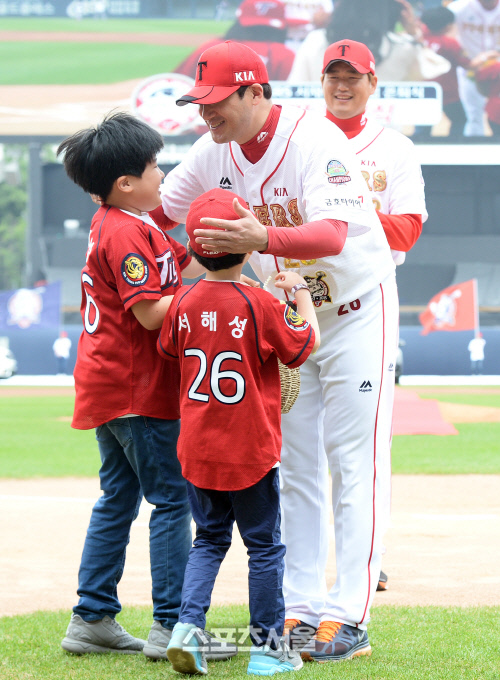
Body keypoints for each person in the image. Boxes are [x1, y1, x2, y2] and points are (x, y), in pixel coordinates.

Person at [158, 40, 398, 662]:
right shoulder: (212, 151)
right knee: (291, 465)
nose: (205, 113)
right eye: (199, 100)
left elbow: (331, 234)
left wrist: (262, 235)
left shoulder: (316, 138)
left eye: (216, 101)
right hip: (283, 322)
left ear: (255, 92)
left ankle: (348, 616)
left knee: (353, 462)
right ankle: (299, 610)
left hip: (353, 311)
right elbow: (163, 212)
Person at [56, 113, 235, 662]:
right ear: (125, 182)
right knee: (172, 498)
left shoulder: (128, 222)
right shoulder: (128, 228)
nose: (163, 172)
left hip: (110, 385)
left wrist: (230, 270)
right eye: (153, 165)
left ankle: (92, 617)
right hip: (137, 390)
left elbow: (183, 263)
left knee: (118, 498)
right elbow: (153, 312)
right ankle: (172, 627)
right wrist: (210, 300)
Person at [158, 188, 319, 675]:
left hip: (199, 450)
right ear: (247, 245)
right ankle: (269, 650)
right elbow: (302, 346)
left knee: (207, 541)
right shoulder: (259, 303)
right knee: (264, 547)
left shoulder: (182, 301)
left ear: (194, 246)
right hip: (250, 451)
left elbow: (169, 351)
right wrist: (300, 296)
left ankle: (187, 630)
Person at [319, 38, 428, 593]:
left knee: (361, 447)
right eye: (333, 76)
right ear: (322, 81)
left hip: (364, 306)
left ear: (372, 84)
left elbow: (407, 229)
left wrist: (337, 221)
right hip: (301, 308)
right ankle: (304, 565)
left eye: (353, 77)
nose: (342, 86)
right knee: (300, 453)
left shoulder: (395, 148)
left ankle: (366, 557)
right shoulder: (302, 142)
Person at [288, 0, 424, 82]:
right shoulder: (401, 47)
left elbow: (296, 85)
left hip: (322, 125)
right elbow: (430, 73)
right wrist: (414, 32)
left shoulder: (316, 40)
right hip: (383, 127)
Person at [174, 0, 296, 81]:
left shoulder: (211, 48)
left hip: (210, 118)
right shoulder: (285, 55)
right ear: (281, 27)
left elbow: (176, 83)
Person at [447, 0, 500, 136]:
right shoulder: (459, 8)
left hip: (497, 71)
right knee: (473, 114)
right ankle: (476, 150)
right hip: (469, 69)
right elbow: (440, 26)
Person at [420, 6, 471, 138]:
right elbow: (467, 64)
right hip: (448, 93)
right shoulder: (450, 43)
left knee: (423, 125)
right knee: (460, 120)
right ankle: (454, 145)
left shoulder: (419, 40)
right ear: (448, 26)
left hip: (424, 91)